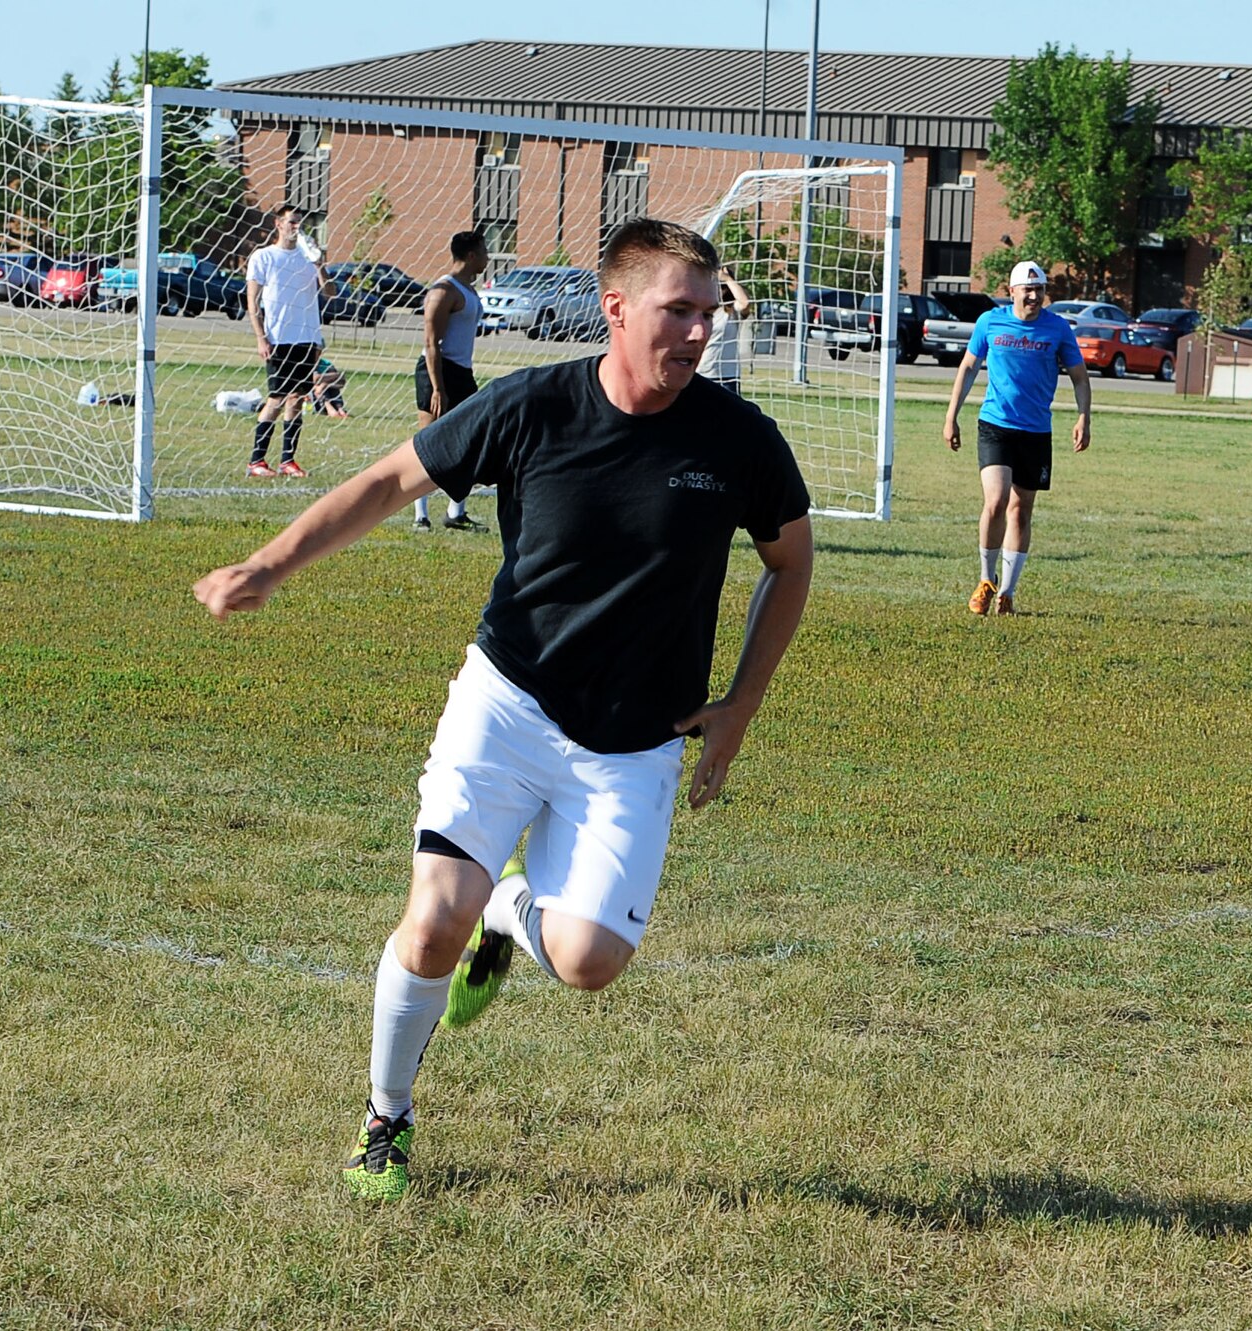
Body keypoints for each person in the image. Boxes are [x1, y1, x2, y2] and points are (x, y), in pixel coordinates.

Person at [192, 217, 815, 1204]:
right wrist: (269, 563)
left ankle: (511, 902)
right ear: (615, 310)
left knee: (586, 962)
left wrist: (740, 703)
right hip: (510, 703)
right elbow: (389, 479)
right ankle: (385, 1117)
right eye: (677, 310)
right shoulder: (531, 407)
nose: (698, 331)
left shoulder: (740, 441)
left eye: (707, 312)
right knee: (433, 920)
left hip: (635, 741)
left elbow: (789, 562)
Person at [940, 260, 1091, 616]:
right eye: (1028, 289)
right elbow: (968, 367)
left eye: (1039, 289)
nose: (1034, 296)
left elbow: (1080, 377)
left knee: (1021, 510)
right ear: (1012, 292)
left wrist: (1084, 416)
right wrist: (951, 416)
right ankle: (985, 580)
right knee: (995, 501)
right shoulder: (990, 322)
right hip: (996, 425)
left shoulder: (1058, 329)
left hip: (1036, 432)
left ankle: (1007, 592)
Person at [244, 204, 333, 478]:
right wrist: (261, 337)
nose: (296, 228)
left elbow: (330, 292)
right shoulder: (264, 257)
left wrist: (319, 264)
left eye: (300, 223)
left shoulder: (308, 258)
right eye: (291, 222)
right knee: (276, 398)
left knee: (297, 399)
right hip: (278, 339)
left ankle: (287, 460)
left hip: (306, 339)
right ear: (278, 224)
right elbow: (252, 302)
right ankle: (257, 460)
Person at [410, 230, 491, 531]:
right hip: (439, 371)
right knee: (428, 443)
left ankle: (456, 513)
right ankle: (421, 515)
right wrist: (438, 387)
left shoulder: (468, 289)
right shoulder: (443, 291)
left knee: (469, 441)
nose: (488, 257)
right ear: (471, 256)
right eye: (484, 251)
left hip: (462, 372)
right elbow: (432, 344)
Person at [696, 267, 753, 393]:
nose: (718, 290)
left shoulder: (732, 312)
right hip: (701, 372)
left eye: (722, 286)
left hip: (727, 375)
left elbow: (745, 303)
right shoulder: (700, 310)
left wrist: (727, 279)